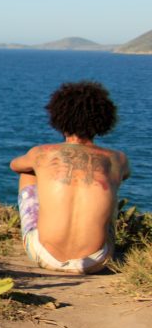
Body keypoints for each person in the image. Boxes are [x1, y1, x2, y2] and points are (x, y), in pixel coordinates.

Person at [10, 81, 130, 274]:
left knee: (27, 172)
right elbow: (125, 175)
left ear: (60, 118)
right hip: (96, 261)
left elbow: (14, 165)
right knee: (110, 182)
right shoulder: (118, 159)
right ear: (103, 120)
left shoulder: (41, 153)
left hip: (44, 255)